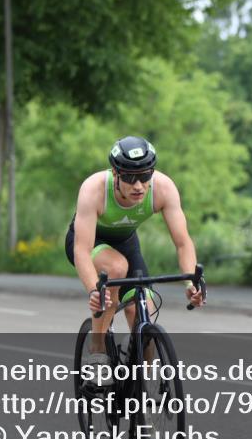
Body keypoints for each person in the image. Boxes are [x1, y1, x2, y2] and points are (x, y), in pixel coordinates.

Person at [65, 136, 203, 373]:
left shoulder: (163, 188)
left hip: (126, 245)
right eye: (130, 177)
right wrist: (93, 290)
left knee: (144, 313)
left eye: (145, 176)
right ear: (115, 173)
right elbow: (82, 250)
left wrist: (191, 282)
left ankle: (138, 381)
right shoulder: (94, 189)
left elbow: (183, 242)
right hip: (88, 243)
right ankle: (97, 349)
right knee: (116, 267)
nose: (138, 185)